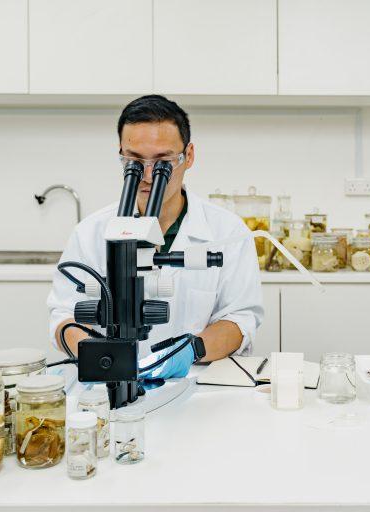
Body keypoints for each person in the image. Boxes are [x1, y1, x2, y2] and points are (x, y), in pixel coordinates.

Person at [47, 95, 263, 378]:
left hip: (199, 384)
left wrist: (191, 350)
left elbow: (241, 318)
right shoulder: (91, 232)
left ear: (189, 156)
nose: (148, 176)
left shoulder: (228, 232)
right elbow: (63, 316)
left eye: (163, 162)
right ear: (121, 155)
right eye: (135, 161)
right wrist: (101, 354)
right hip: (107, 384)